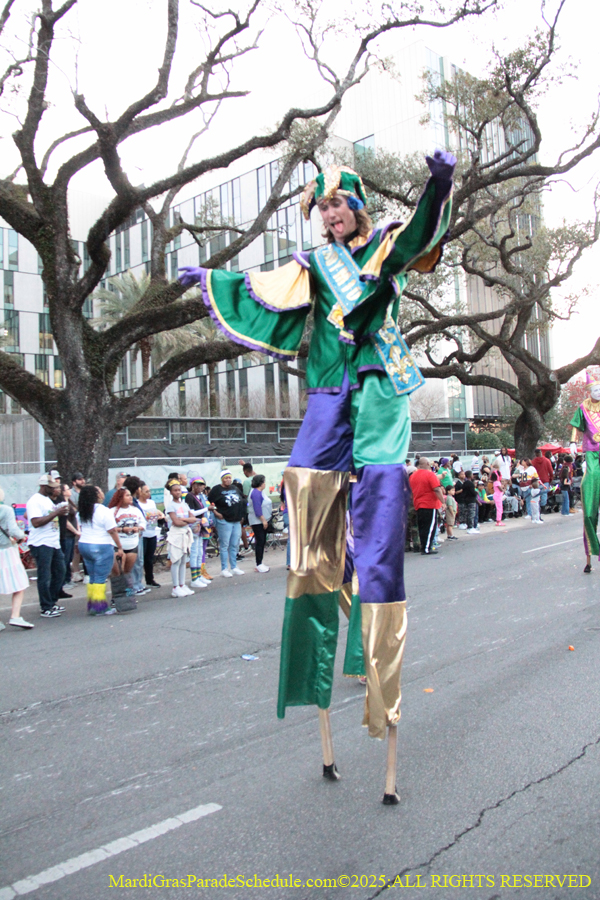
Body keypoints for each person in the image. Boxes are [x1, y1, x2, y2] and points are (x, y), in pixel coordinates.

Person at [180, 150, 454, 794]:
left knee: (380, 536)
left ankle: (382, 701)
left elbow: (420, 234)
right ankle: (317, 674)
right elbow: (263, 290)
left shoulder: (386, 247)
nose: (330, 215)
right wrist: (214, 278)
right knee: (307, 527)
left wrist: (438, 186)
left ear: (356, 206)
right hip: (328, 392)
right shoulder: (312, 264)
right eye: (322, 208)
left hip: (379, 388)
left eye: (337, 205)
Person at [78, 484, 124, 615]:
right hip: (101, 545)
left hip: (84, 544)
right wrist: (119, 546)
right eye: (99, 491)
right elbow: (112, 530)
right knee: (100, 577)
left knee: (92, 576)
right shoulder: (104, 511)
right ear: (96, 495)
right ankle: (100, 607)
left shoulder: (82, 511)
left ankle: (92, 604)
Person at [570, 372, 600, 572]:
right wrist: (572, 442)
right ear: (589, 391)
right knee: (589, 513)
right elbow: (576, 426)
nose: (599, 392)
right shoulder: (583, 408)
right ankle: (591, 555)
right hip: (591, 454)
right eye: (596, 389)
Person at [26, 474, 68, 618]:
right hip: (41, 542)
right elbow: (36, 522)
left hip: (53, 542)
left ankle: (52, 600)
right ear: (44, 486)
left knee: (60, 571)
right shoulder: (35, 501)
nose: (55, 489)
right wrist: (56, 513)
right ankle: (46, 606)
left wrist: (59, 512)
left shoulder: (47, 500)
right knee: (44, 575)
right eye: (52, 487)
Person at [0, 486, 34, 629]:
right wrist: (22, 536)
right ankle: (15, 616)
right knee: (18, 584)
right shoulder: (6, 510)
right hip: (6, 551)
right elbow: (13, 530)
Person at [108, 488, 146, 597]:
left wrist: (138, 528)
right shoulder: (112, 511)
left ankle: (128, 596)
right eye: (127, 495)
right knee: (118, 573)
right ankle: (116, 596)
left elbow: (143, 523)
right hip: (118, 545)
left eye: (130, 495)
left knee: (127, 572)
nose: (130, 497)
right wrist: (122, 529)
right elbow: (109, 528)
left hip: (132, 544)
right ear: (120, 497)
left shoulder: (135, 510)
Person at [208, 470, 246, 578]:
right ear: (222, 479)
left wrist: (241, 515)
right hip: (224, 520)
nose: (228, 480)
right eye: (226, 478)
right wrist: (216, 512)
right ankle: (224, 568)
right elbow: (208, 502)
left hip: (236, 520)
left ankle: (234, 567)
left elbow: (242, 500)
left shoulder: (235, 488)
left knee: (234, 544)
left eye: (229, 477)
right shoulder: (216, 489)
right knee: (224, 545)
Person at [165, 481, 196, 597]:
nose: (178, 492)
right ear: (171, 492)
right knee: (176, 560)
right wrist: (186, 521)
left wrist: (184, 520)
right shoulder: (171, 505)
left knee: (183, 560)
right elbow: (176, 522)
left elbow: (193, 518)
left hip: (185, 533)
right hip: (176, 534)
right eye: (175, 490)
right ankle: (175, 586)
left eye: (179, 490)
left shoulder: (184, 504)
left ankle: (182, 584)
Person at [409, 458, 444, 556]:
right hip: (429, 504)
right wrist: (443, 502)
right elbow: (437, 489)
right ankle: (427, 548)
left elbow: (411, 492)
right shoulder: (430, 474)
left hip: (418, 504)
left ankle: (424, 546)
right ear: (427, 463)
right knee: (430, 527)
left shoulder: (413, 476)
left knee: (422, 527)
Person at [185, 476, 211, 588]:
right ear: (193, 485)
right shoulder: (189, 497)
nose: (201, 487)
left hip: (201, 524)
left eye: (202, 485)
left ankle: (199, 575)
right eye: (198, 485)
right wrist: (206, 509)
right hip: (194, 525)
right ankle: (194, 578)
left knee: (200, 550)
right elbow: (192, 513)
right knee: (195, 551)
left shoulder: (199, 497)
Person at [137, 484, 164, 587]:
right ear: (140, 492)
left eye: (149, 491)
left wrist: (159, 516)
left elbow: (155, 512)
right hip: (143, 534)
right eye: (146, 491)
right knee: (141, 558)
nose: (149, 493)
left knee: (149, 558)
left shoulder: (151, 502)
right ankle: (138, 581)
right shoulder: (138, 504)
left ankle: (150, 579)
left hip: (152, 532)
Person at [248, 474, 272, 572]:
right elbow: (257, 509)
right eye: (264, 481)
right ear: (261, 483)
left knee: (262, 542)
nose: (265, 483)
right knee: (260, 541)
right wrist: (263, 520)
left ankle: (260, 562)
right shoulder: (256, 493)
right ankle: (259, 564)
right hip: (258, 521)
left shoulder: (260, 492)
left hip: (262, 520)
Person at [58, 483, 79, 593]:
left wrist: (77, 530)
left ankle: (68, 578)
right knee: (65, 558)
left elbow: (75, 518)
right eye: (67, 489)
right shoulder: (62, 505)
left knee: (69, 557)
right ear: (63, 492)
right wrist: (75, 531)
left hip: (71, 535)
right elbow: (65, 522)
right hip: (66, 535)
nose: (69, 490)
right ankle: (64, 580)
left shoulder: (69, 503)